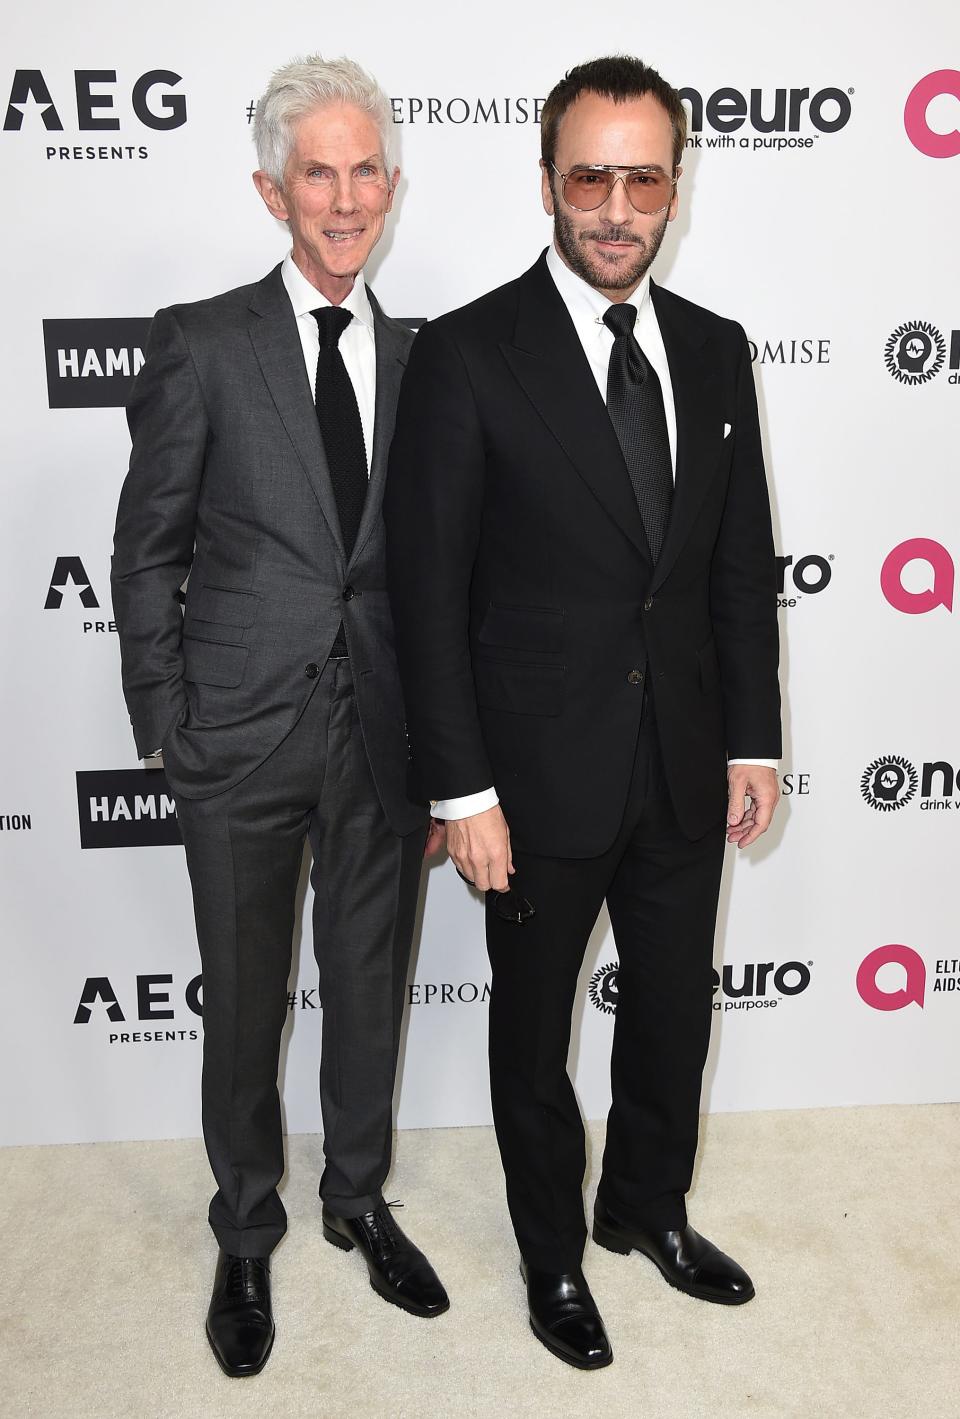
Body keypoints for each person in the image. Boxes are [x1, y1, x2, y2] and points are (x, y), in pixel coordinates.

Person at [385, 55, 781, 1371]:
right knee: (533, 1039)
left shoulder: (717, 352)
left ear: (677, 185)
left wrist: (752, 739)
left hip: (681, 764)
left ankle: (647, 1209)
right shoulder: (465, 352)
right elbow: (426, 595)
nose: (617, 206)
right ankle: (553, 1254)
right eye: (591, 176)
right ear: (550, 182)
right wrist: (462, 792)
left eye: (644, 176)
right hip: (533, 783)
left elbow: (734, 566)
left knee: (672, 1013)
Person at [111, 55, 448, 1379]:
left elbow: (439, 572)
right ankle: (246, 1228)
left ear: (394, 187)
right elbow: (147, 552)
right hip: (237, 743)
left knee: (368, 994)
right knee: (245, 1005)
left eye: (368, 171)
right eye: (322, 171)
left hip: (387, 746)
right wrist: (167, 724)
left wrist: (454, 759)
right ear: (273, 189)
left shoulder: (431, 361)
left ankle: (357, 1199)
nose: (347, 196)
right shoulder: (201, 342)